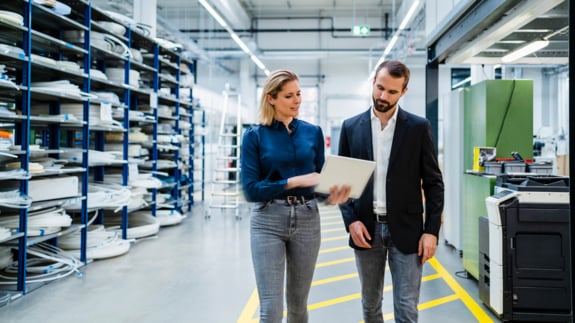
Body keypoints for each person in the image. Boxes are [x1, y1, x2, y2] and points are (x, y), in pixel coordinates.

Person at [337, 60, 444, 323]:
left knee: (407, 308)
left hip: (407, 229)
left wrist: (431, 231)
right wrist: (351, 221)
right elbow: (343, 184)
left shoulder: (418, 128)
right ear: (373, 82)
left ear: (404, 92)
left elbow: (434, 183)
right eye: (380, 88)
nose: (383, 96)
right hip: (366, 229)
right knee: (370, 305)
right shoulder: (351, 127)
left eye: (392, 92)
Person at [241, 69, 350, 323]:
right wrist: (294, 181)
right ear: (271, 99)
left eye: (299, 94)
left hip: (307, 220)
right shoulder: (254, 136)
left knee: (299, 306)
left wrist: (332, 195)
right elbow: (251, 189)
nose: (297, 100)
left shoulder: (312, 133)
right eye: (289, 96)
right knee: (271, 309)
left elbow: (319, 184)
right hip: (268, 220)